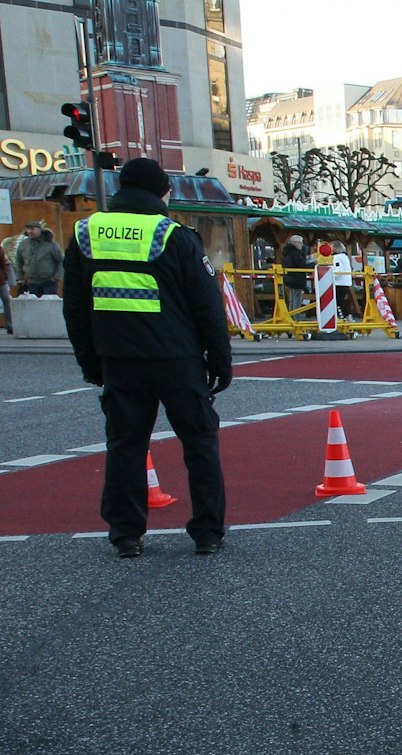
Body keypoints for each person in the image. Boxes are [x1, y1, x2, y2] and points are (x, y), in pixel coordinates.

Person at [61, 157, 232, 558]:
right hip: (177, 359)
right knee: (199, 445)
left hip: (119, 360)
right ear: (161, 192)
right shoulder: (174, 235)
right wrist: (220, 362)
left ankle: (126, 534)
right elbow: (208, 307)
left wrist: (90, 361)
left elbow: (75, 308)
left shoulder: (86, 233)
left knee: (125, 446)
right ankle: (207, 532)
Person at [18, 227, 64, 296]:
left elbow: (61, 261)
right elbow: (19, 261)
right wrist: (20, 278)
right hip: (32, 282)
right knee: (35, 304)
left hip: (49, 282)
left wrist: (56, 277)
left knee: (49, 304)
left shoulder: (51, 245)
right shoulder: (24, 245)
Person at [280, 234, 313, 314]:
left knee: (292, 299)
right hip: (297, 279)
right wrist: (313, 265)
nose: (302, 245)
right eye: (300, 243)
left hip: (289, 278)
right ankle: (295, 316)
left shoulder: (286, 253)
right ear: (295, 243)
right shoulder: (296, 254)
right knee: (297, 299)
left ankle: (291, 315)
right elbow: (302, 265)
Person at [329, 240, 355, 318]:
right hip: (345, 282)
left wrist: (330, 276)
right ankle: (347, 316)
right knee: (341, 301)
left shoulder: (337, 257)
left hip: (339, 282)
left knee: (338, 302)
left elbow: (338, 270)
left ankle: (343, 316)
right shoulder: (344, 257)